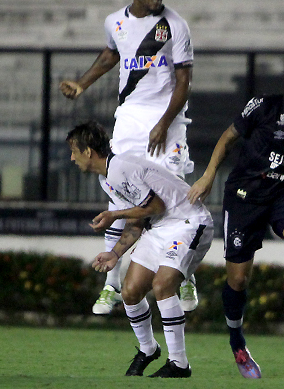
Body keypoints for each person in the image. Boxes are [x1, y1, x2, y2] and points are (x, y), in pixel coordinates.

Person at [59, 0, 198, 315]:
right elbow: (111, 54)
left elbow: (184, 82)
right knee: (119, 194)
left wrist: (163, 124)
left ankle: (184, 272)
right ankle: (111, 285)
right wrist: (82, 84)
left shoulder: (175, 25)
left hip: (167, 121)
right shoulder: (115, 22)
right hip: (130, 120)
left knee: (173, 195)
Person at [186, 58, 284, 379]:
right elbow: (227, 137)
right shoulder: (264, 108)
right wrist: (208, 176)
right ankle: (238, 344)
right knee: (238, 280)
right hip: (245, 196)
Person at [67, 121, 213, 378]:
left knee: (163, 285)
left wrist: (114, 215)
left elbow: (155, 206)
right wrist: (115, 254)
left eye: (73, 151)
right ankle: (148, 349)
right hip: (159, 227)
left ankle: (179, 363)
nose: (71, 157)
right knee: (131, 292)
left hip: (187, 223)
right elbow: (140, 216)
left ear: (88, 151)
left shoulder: (121, 168)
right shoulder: (107, 179)